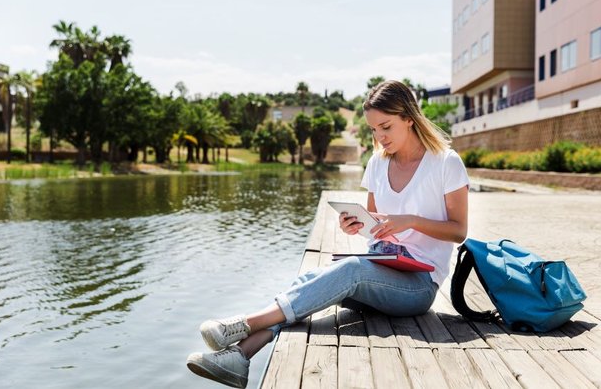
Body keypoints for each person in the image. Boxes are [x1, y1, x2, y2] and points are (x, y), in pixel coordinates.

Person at [186, 80, 469, 388]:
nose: (379, 137)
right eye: (374, 130)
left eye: (385, 127)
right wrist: (360, 226)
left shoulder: (445, 163)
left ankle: (244, 324)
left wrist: (411, 220)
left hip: (418, 286)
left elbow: (458, 231)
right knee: (312, 281)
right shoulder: (377, 163)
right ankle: (240, 356)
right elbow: (378, 227)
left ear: (409, 118)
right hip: (381, 266)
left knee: (349, 270)